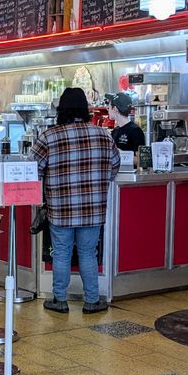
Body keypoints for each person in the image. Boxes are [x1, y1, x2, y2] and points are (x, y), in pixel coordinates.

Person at [31, 87, 120, 314]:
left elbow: (33, 170)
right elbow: (114, 168)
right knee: (87, 253)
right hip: (93, 209)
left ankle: (59, 300)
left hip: (60, 208)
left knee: (61, 252)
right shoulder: (103, 135)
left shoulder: (49, 136)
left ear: (62, 110)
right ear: (85, 109)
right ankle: (92, 301)